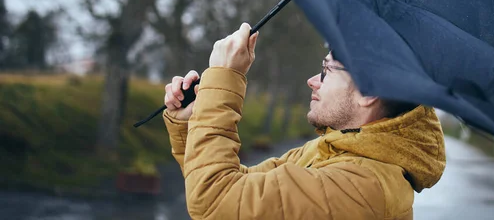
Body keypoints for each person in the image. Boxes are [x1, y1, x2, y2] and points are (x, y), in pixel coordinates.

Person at [163, 23, 446, 220]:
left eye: (326, 71)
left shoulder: (364, 188)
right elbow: (231, 187)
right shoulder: (331, 150)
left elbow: (214, 202)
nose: (312, 81)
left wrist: (224, 77)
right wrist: (190, 125)